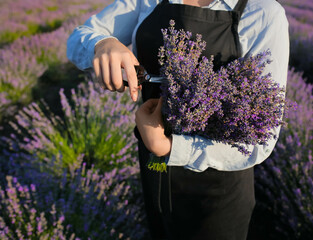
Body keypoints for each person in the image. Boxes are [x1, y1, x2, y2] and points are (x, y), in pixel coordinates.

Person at [67, 0, 289, 239]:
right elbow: (78, 38)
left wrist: (170, 147)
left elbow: (258, 142)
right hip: (154, 165)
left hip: (216, 188)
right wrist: (102, 43)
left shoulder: (263, 12)